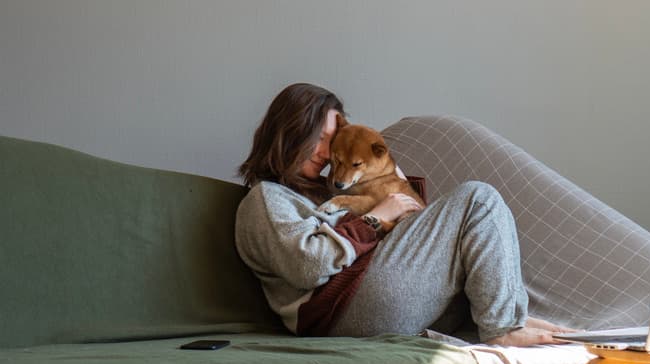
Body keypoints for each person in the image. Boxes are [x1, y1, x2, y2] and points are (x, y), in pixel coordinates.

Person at [235, 82, 572, 346]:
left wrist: (390, 194)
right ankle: (502, 327)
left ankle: (510, 316)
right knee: (478, 199)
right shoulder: (266, 198)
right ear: (290, 131)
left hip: (379, 296)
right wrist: (376, 218)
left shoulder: (329, 190)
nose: (326, 155)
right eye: (318, 139)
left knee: (474, 229)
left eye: (332, 143)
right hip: (345, 309)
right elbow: (306, 266)